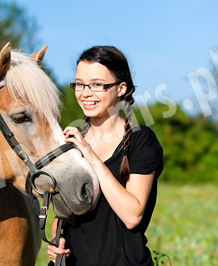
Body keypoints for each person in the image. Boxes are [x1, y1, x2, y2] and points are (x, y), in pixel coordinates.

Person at [47, 46, 163, 265]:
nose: (85, 93)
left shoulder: (142, 141)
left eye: (97, 84)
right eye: (79, 84)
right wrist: (56, 241)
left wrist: (91, 156)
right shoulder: (70, 145)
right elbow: (61, 218)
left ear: (121, 88)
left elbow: (132, 216)